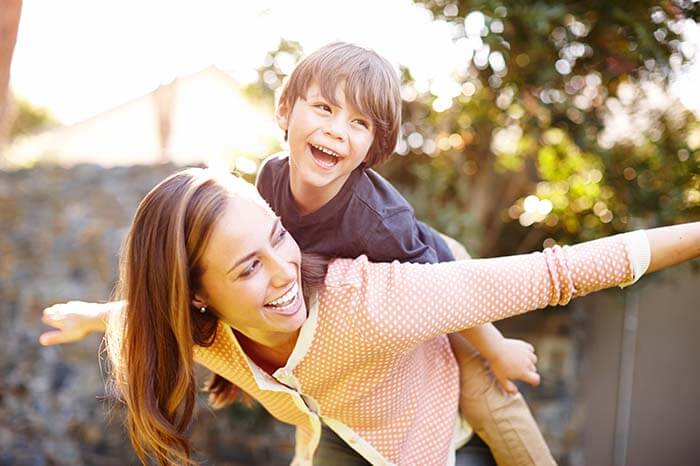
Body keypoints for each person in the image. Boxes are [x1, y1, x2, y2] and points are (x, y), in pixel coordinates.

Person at [41, 42, 551, 465]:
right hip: (381, 324)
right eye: (324, 108)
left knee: (491, 401)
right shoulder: (268, 182)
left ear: (374, 146)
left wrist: (498, 347)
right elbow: (225, 286)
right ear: (286, 111)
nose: (335, 129)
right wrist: (97, 319)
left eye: (359, 123)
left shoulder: (379, 220)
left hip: (443, 277)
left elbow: (453, 291)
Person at [41, 168, 700, 466]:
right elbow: (140, 316)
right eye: (246, 268)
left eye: (278, 234)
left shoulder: (371, 306)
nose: (282, 273)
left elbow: (563, 272)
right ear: (196, 296)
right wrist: (90, 317)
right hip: (348, 440)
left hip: (443, 443)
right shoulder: (206, 336)